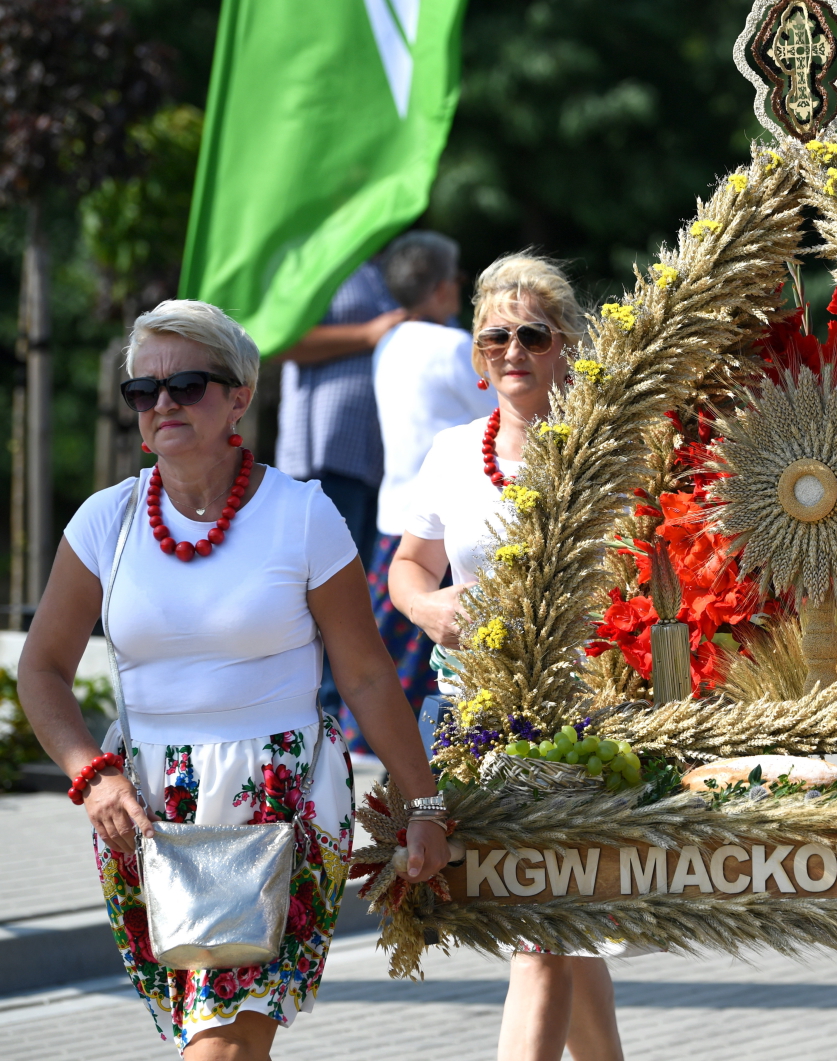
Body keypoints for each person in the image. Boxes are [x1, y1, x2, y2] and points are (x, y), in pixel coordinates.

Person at [16, 300, 449, 1060]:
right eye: (143, 392)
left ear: (240, 396)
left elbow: (368, 677)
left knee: (222, 1043)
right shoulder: (103, 523)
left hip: (284, 801)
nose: (162, 404)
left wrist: (424, 804)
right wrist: (91, 775)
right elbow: (42, 669)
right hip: (148, 811)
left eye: (185, 384)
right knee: (211, 1038)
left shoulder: (303, 514)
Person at [388, 252, 624, 1061]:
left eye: (532, 334)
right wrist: (427, 604)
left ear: (566, 345)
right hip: (477, 717)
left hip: (582, 719)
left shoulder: (603, 450)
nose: (513, 351)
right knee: (558, 923)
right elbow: (408, 564)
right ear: (479, 358)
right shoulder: (455, 451)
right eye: (495, 338)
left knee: (543, 925)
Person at [346, 231, 495, 756]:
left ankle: (383, 750)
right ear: (438, 288)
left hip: (395, 511)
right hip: (450, 520)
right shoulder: (456, 347)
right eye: (455, 279)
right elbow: (501, 416)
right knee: (439, 650)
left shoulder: (390, 341)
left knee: (389, 651)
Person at [276, 258, 405, 569]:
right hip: (324, 458)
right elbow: (283, 343)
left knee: (356, 587)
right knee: (320, 581)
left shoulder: (378, 268)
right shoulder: (315, 261)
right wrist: (367, 335)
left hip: (376, 459)